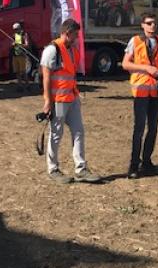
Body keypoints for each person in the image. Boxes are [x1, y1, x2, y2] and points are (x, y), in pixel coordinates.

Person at [40, 19, 100, 184]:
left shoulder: (71, 50)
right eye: (75, 34)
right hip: (58, 100)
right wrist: (47, 101)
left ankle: (81, 169)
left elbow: (70, 75)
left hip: (72, 99)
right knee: (56, 135)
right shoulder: (52, 50)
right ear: (67, 33)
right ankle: (53, 169)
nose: (77, 37)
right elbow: (46, 78)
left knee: (78, 131)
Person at [122, 12, 158, 179]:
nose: (152, 26)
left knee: (153, 128)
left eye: (154, 23)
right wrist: (146, 69)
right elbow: (125, 64)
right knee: (139, 128)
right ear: (142, 25)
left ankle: (146, 162)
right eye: (149, 23)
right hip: (140, 90)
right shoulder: (135, 41)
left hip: (156, 91)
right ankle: (133, 164)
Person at [11, 22, 31, 91]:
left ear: (20, 28)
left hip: (22, 55)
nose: (15, 31)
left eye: (16, 29)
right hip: (15, 55)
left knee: (23, 71)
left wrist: (19, 44)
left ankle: (27, 85)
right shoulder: (14, 35)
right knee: (17, 72)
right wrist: (13, 44)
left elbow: (27, 45)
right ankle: (19, 85)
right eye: (14, 29)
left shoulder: (24, 35)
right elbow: (11, 44)